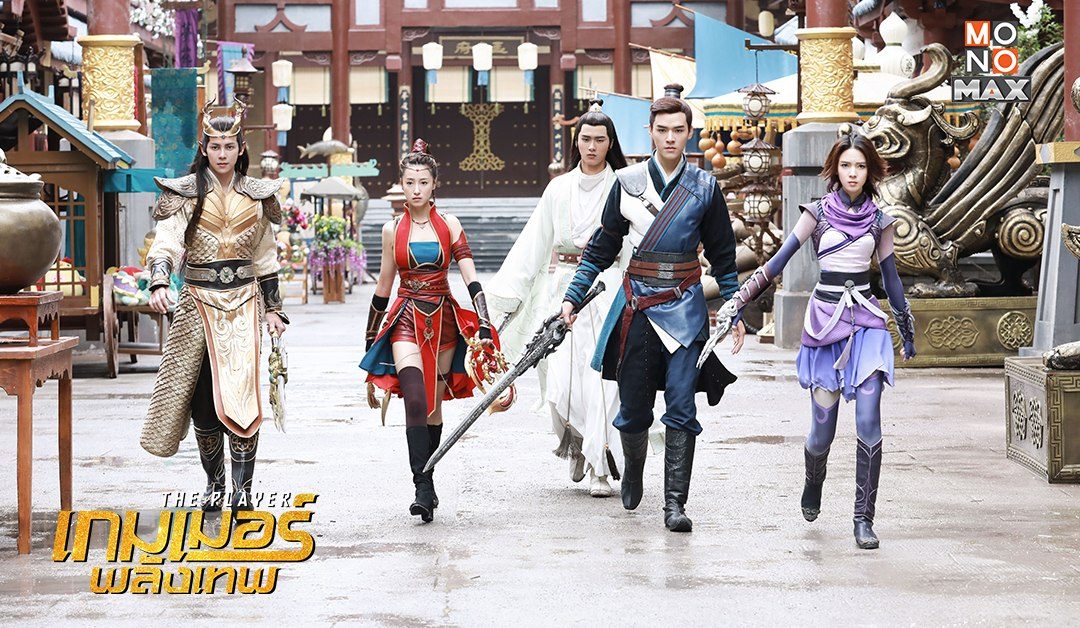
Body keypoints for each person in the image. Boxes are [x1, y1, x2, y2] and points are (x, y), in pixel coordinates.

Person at [559, 85, 742, 532]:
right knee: (635, 410)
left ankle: (674, 504)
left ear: (689, 132)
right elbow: (601, 248)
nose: (670, 138)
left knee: (682, 407)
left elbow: (723, 253)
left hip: (686, 308)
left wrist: (733, 306)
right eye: (662, 130)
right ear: (650, 132)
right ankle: (634, 471)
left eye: (678, 130)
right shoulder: (626, 183)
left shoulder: (705, 186)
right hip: (637, 307)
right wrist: (573, 296)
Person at [726, 132, 917, 549]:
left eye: (860, 166)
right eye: (846, 165)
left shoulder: (880, 221)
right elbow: (777, 262)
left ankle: (863, 519)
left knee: (869, 418)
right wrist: (739, 300)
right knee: (821, 431)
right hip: (824, 324)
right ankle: (814, 480)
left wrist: (904, 325)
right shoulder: (816, 213)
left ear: (870, 172)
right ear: (836, 169)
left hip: (866, 321)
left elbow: (890, 279)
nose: (853, 173)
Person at [141, 99, 287, 512]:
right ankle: (216, 482)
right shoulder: (184, 193)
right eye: (215, 146)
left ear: (241, 149)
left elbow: (265, 257)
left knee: (243, 399)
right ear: (204, 149)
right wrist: (159, 279)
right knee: (203, 402)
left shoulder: (259, 195)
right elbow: (167, 240)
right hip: (196, 306)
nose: (222, 154)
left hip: (244, 304)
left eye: (229, 146)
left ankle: (243, 491)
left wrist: (273, 309)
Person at [488, 100, 630, 497]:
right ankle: (575, 443)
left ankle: (600, 467)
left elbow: (634, 244)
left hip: (607, 288)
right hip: (564, 291)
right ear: (576, 141)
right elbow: (533, 244)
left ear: (610, 143)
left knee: (601, 381)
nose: (592, 146)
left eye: (599, 140)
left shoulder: (623, 186)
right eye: (585, 139)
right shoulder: (558, 188)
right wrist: (508, 297)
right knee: (559, 383)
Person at [360, 139, 499, 523]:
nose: (416, 189)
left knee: (434, 410)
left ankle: (429, 477)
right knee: (416, 400)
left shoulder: (449, 224)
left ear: (435, 183)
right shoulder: (391, 229)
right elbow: (383, 286)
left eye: (423, 182)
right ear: (401, 185)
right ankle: (421, 486)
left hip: (443, 318)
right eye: (410, 182)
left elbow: (471, 278)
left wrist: (484, 324)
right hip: (405, 316)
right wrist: (370, 339)